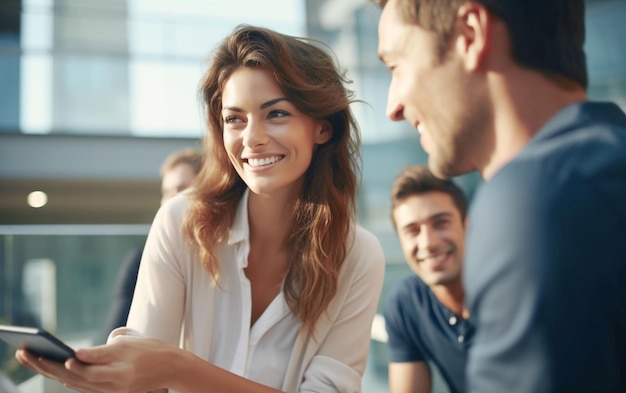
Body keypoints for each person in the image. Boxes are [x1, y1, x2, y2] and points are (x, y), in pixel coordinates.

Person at [16, 24, 386, 393]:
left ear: (323, 127)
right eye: (234, 119)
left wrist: (178, 369)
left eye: (276, 114)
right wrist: (101, 374)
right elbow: (140, 367)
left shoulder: (359, 255)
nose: (252, 139)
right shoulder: (181, 221)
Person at [374, 0, 626, 392]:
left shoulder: (528, 208)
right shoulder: (607, 159)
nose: (393, 107)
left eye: (396, 66)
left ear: (470, 35)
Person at [384, 165, 472, 393]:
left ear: (467, 225)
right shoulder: (407, 303)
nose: (428, 243)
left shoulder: (511, 286)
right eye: (412, 231)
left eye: (441, 223)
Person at [104, 148, 203, 337]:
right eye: (167, 192)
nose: (172, 200)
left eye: (182, 189)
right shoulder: (140, 259)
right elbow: (118, 330)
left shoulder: (229, 253)